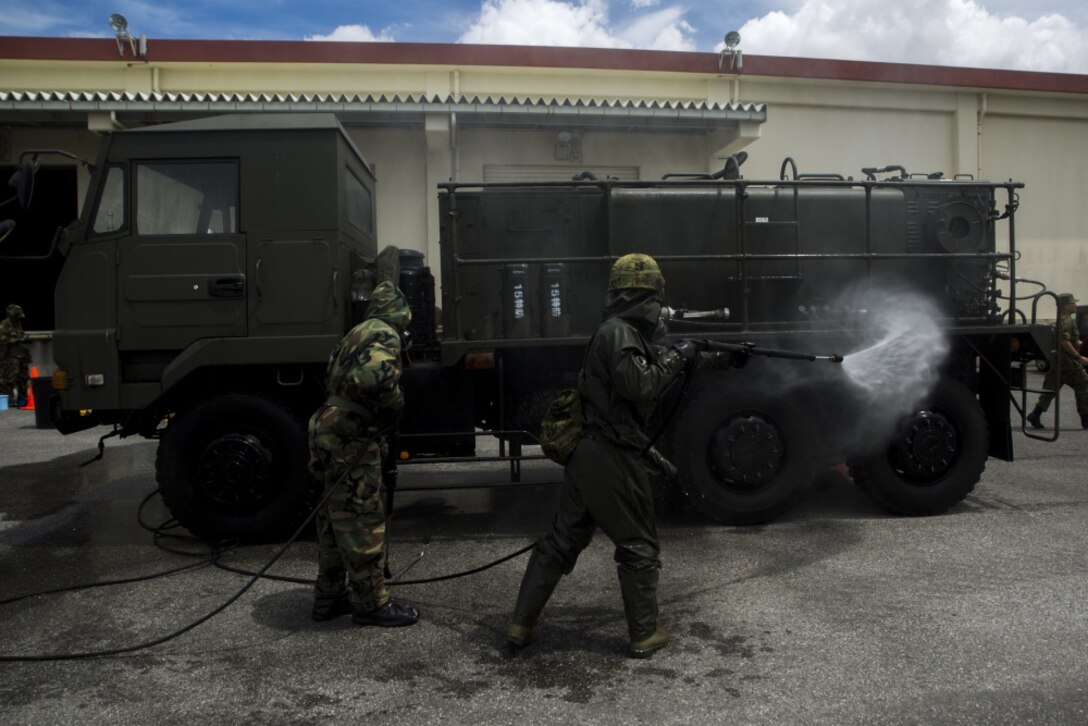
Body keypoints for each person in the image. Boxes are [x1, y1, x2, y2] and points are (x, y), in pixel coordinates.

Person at [505, 253, 730, 658]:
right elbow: (641, 385)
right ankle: (644, 633)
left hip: (589, 453)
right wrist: (682, 353)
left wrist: (708, 358)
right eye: (658, 295)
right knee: (639, 545)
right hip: (610, 455)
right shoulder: (620, 333)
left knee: (561, 543)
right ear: (647, 293)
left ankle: (520, 624)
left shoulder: (618, 332)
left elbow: (653, 366)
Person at [307, 245, 419, 627]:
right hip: (349, 438)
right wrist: (395, 402)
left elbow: (334, 378)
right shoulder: (386, 334)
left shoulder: (356, 332)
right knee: (360, 519)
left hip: (326, 429)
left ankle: (328, 597)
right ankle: (371, 605)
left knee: (333, 520)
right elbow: (374, 379)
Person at [1027, 292, 1088, 430]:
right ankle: (1086, 420)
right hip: (1069, 363)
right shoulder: (1066, 320)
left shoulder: (1062, 320)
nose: (1075, 305)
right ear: (1066, 305)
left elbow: (1065, 340)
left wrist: (1076, 342)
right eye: (1073, 303)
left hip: (1058, 362)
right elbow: (1063, 341)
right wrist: (1079, 357)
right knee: (1084, 385)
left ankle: (1035, 415)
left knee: (1050, 389)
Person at [0, 303, 30, 407]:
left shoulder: (18, 324)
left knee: (23, 378)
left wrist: (24, 339)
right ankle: (9, 401)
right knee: (9, 379)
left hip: (21, 356)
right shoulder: (5, 325)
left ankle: (22, 400)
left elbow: (21, 335)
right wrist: (16, 340)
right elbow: (2, 340)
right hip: (10, 357)